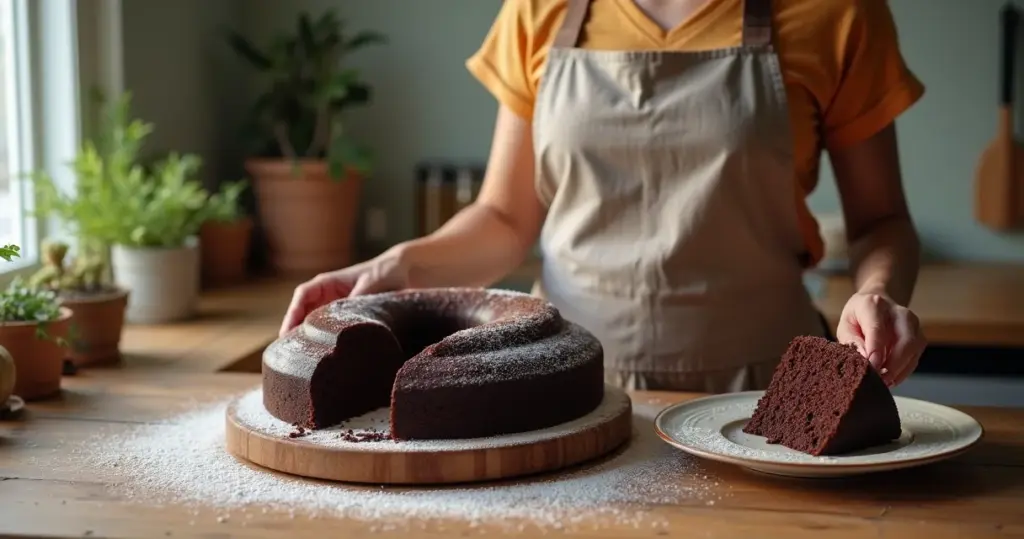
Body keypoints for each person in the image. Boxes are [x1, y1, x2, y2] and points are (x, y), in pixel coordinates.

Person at [281, 0, 928, 393]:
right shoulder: (540, 11)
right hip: (562, 386)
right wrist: (398, 268)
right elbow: (505, 220)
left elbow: (882, 221)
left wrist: (877, 293)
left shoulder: (838, 13)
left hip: (765, 389)